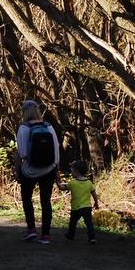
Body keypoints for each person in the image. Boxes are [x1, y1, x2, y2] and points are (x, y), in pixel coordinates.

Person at [15, 99, 61, 244]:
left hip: (30, 170)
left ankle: (31, 229)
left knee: (27, 199)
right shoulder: (49, 127)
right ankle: (46, 235)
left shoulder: (23, 128)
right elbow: (56, 150)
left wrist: (18, 171)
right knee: (46, 201)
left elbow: (21, 153)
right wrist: (57, 171)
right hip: (49, 169)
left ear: (24, 112)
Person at [58, 159, 99, 244]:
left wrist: (57, 181)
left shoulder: (72, 183)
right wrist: (96, 203)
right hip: (87, 207)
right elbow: (94, 194)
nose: (71, 172)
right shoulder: (89, 183)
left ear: (76, 171)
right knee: (89, 223)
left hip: (76, 208)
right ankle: (92, 238)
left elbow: (62, 188)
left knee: (73, 222)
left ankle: (70, 235)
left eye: (72, 170)